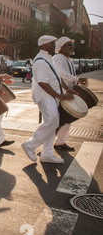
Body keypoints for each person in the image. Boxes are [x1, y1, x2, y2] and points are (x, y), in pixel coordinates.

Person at [22, 36, 75, 164]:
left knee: (53, 122)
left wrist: (67, 88)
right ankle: (30, 145)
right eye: (52, 44)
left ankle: (47, 153)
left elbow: (57, 77)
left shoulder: (49, 59)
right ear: (44, 45)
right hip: (45, 95)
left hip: (51, 95)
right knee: (52, 120)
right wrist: (60, 95)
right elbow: (42, 83)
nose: (54, 46)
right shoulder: (40, 61)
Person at [53, 37, 87, 151]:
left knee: (67, 119)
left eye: (72, 44)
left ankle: (60, 142)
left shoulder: (67, 59)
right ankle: (45, 143)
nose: (71, 47)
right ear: (61, 47)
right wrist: (76, 79)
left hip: (68, 91)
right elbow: (61, 74)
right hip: (60, 92)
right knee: (57, 119)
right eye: (68, 44)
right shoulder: (57, 58)